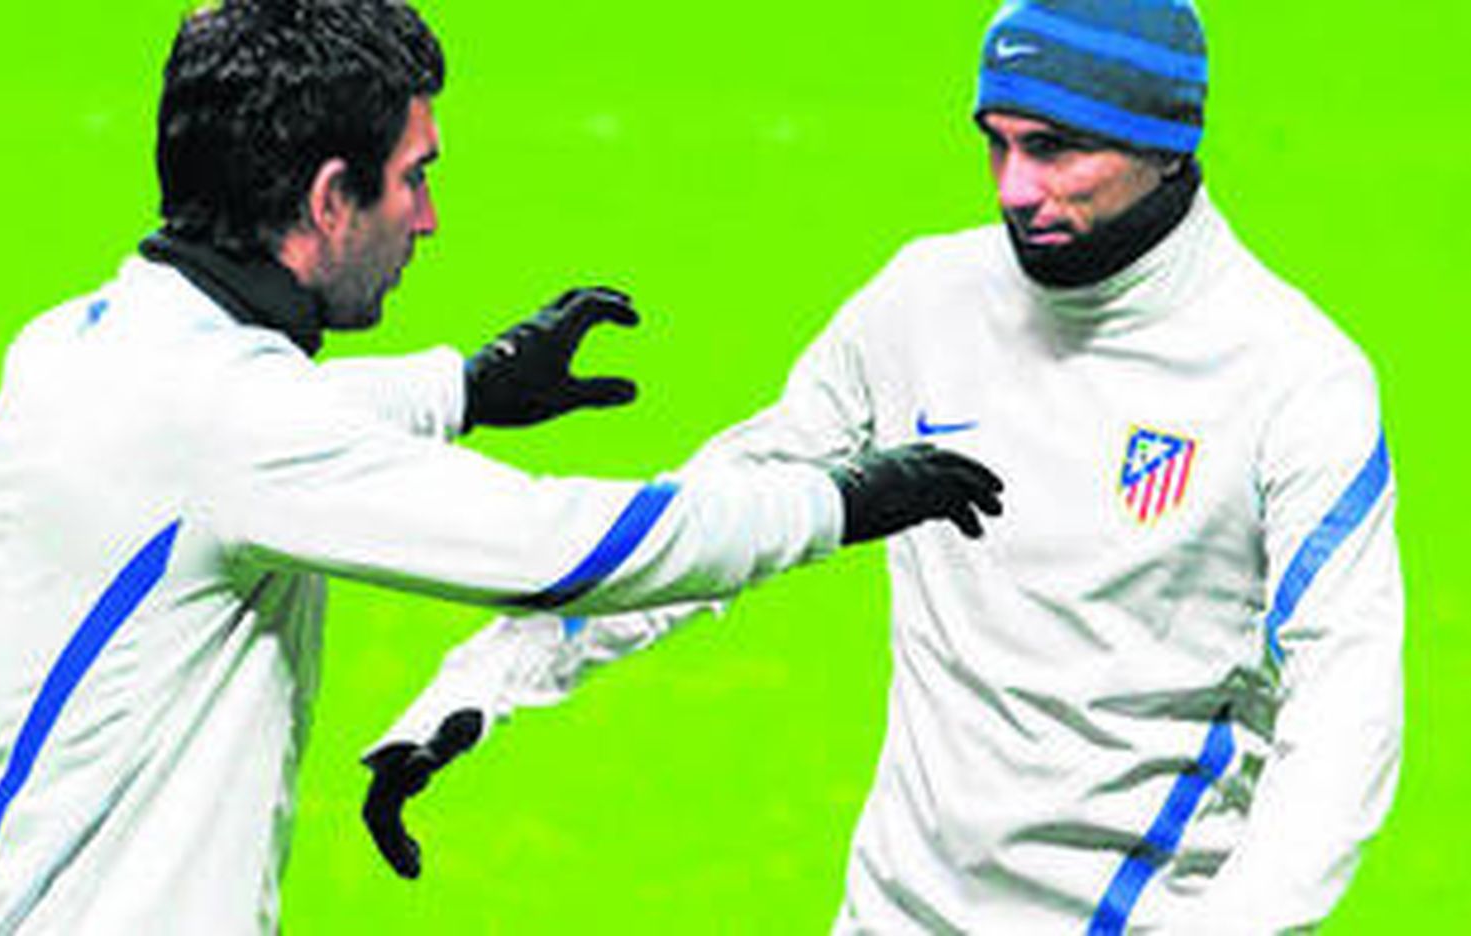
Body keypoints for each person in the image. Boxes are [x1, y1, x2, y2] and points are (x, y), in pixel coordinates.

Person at [0, 1, 1008, 933]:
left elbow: (257, 427)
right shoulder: (236, 425)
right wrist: (842, 499)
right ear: (327, 199)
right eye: (412, 179)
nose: (429, 218)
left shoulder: (73, 346)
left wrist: (471, 386)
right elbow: (567, 550)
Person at [362, 0, 1405, 932]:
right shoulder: (925, 302)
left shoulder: (1291, 378)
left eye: (1054, 150)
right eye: (994, 144)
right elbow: (731, 509)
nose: (1014, 190)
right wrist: (485, 679)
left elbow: (1345, 706)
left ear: (1163, 143)